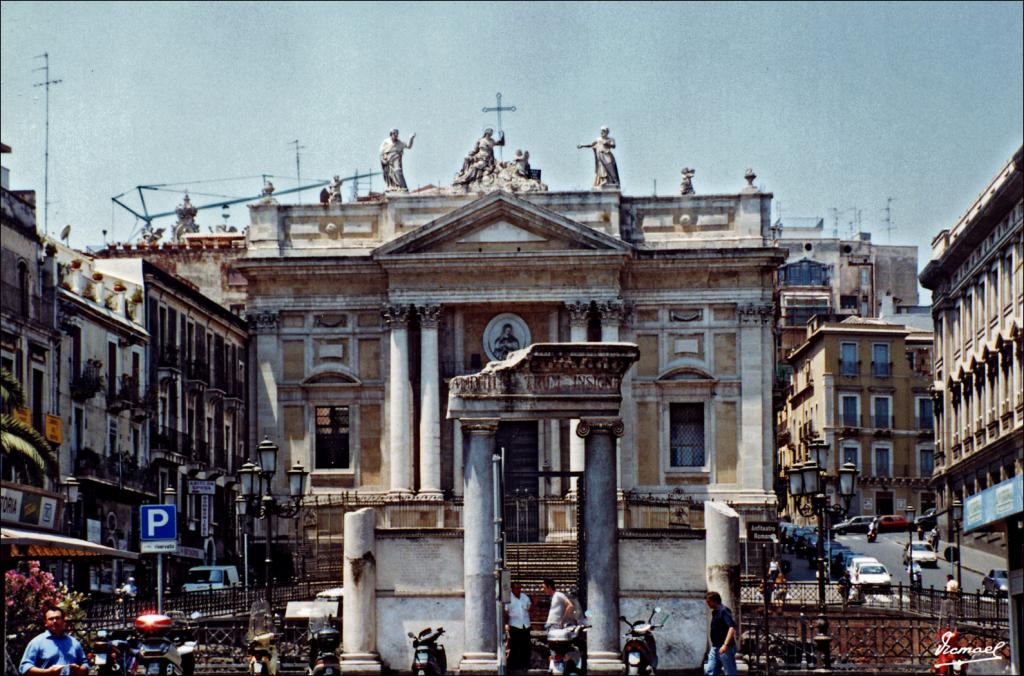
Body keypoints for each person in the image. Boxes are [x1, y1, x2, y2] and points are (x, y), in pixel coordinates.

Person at [19, 606, 89, 676]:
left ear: (63, 620)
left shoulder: (74, 642)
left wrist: (80, 670)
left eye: (58, 618)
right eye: (51, 619)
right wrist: (48, 672)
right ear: (45, 622)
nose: (54, 621)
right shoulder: (36, 643)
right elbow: (24, 668)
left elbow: (85, 663)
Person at [704, 591, 737, 676]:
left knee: (729, 672)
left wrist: (725, 645)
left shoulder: (724, 611)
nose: (707, 604)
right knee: (710, 671)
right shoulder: (715, 612)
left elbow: (732, 628)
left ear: (714, 601)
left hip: (726, 648)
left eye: (708, 602)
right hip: (715, 647)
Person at [504, 581, 532, 672]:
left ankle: (525, 665)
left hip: (525, 625)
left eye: (520, 588)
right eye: (517, 588)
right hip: (514, 625)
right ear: (512, 589)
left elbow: (530, 608)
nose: (519, 590)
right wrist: (506, 624)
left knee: (526, 646)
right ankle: (514, 667)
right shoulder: (508, 598)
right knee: (515, 647)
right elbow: (505, 612)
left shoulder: (524, 597)